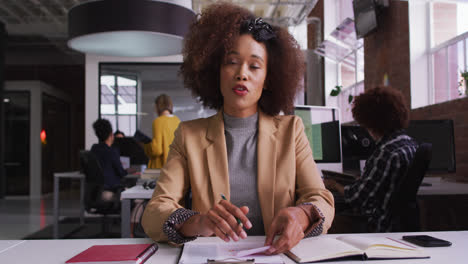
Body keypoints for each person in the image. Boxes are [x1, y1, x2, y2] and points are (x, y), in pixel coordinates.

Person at [141, 2, 334, 254]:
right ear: (215, 71)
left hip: (276, 256)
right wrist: (196, 222)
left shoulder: (291, 131)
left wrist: (303, 215)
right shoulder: (189, 135)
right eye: (231, 62)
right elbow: (155, 212)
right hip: (214, 258)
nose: (242, 73)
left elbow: (322, 199)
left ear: (268, 79)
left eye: (254, 66)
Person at [324, 86, 418, 232]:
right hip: (396, 223)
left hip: (376, 224)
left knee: (321, 222)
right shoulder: (410, 144)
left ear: (371, 122)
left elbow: (356, 197)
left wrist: (334, 185)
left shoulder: (385, 153)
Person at [91, 119, 128, 196]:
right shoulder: (112, 151)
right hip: (111, 191)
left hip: (95, 192)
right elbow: (121, 173)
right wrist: (129, 171)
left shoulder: (94, 149)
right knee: (140, 200)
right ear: (111, 134)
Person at [144, 94, 181, 169]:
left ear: (157, 106)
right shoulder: (177, 121)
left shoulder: (158, 121)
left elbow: (157, 150)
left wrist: (145, 146)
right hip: (175, 167)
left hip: (161, 167)